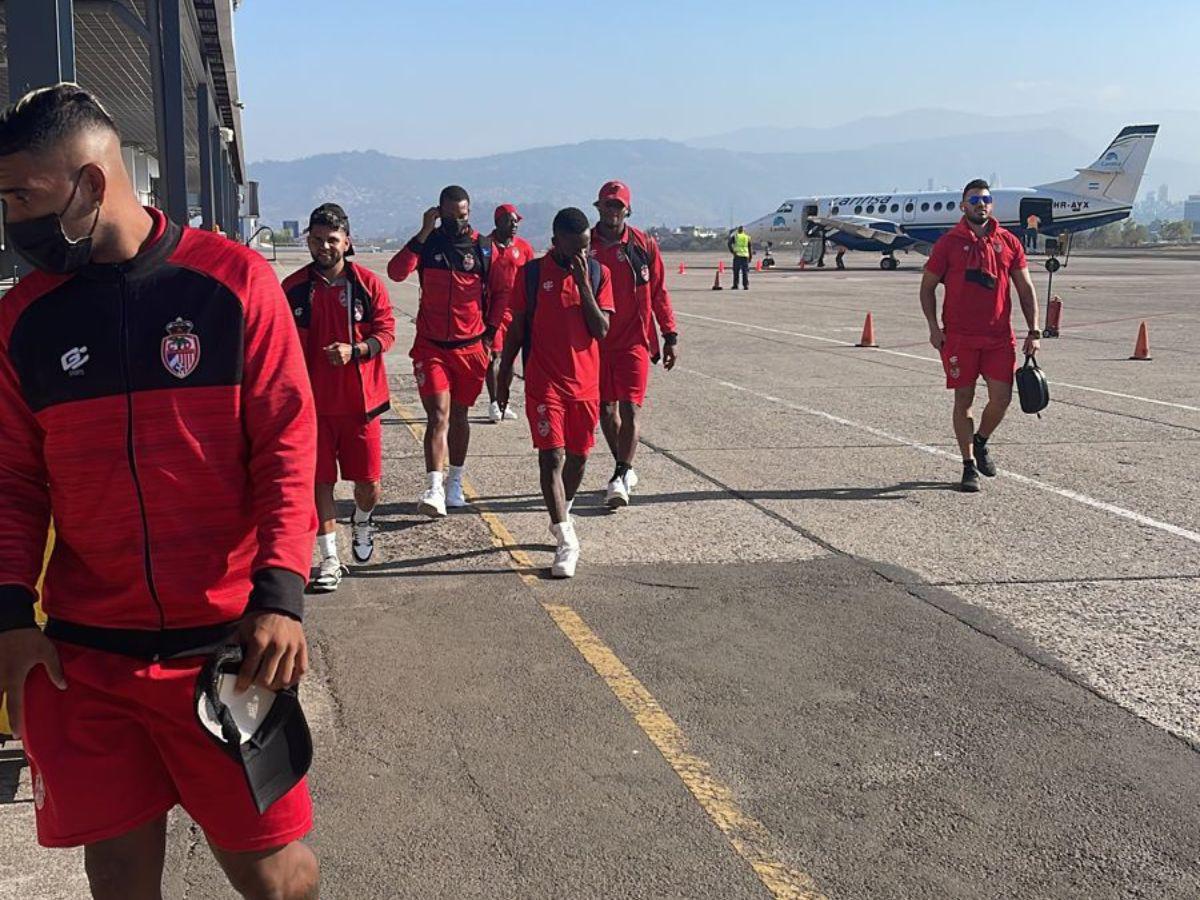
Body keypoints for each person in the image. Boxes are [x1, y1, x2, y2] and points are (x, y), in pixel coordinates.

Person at [0, 85, 319, 899]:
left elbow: (287, 446)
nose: (12, 220)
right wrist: (8, 616)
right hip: (87, 662)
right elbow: (12, 482)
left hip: (224, 654)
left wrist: (280, 592)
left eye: (23, 198)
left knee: (274, 875)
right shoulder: (23, 320)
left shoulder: (233, 283)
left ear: (92, 185)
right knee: (115, 875)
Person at [282, 203, 395, 593]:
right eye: (316, 239)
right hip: (312, 409)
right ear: (308, 241)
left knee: (369, 484)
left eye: (332, 239)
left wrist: (357, 350)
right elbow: (279, 345)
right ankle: (329, 558)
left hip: (362, 406)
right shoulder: (293, 288)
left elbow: (387, 331)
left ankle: (363, 521)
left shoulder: (367, 284)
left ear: (347, 241)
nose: (324, 246)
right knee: (319, 483)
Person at [496, 208, 613, 577]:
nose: (583, 253)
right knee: (552, 458)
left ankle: (563, 510)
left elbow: (602, 329)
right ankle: (565, 538)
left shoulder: (597, 274)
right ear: (556, 238)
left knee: (578, 459)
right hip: (544, 383)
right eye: (576, 246)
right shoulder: (531, 275)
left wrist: (582, 285)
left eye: (587, 246)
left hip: (585, 386)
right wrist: (502, 377)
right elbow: (516, 330)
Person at [920, 179, 1041, 493]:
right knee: (964, 400)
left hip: (999, 337)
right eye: (974, 199)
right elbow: (927, 287)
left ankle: (981, 440)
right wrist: (934, 327)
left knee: (1001, 399)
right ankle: (967, 465)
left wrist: (1034, 329)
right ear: (963, 205)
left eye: (986, 199)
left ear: (992, 204)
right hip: (959, 338)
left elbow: (1025, 289)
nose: (980, 204)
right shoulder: (947, 243)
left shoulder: (1009, 242)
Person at [387, 185, 498, 516]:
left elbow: (500, 295)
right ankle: (433, 487)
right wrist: (423, 231)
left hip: (470, 348)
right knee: (437, 415)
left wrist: (491, 338)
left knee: (460, 415)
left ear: (469, 212)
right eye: (448, 216)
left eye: (461, 216)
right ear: (438, 212)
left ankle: (454, 482)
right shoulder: (428, 244)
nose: (456, 222)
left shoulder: (483, 249)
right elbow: (396, 272)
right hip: (431, 347)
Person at [589, 180, 679, 509]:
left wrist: (669, 335)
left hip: (634, 341)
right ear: (598, 207)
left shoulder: (644, 244)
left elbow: (659, 292)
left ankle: (620, 474)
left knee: (629, 407)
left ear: (628, 210)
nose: (613, 211)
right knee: (606, 410)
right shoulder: (586, 245)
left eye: (618, 206)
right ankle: (623, 467)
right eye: (607, 205)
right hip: (597, 342)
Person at [483, 203, 536, 423]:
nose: (514, 225)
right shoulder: (485, 246)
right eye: (510, 220)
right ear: (498, 222)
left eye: (517, 221)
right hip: (494, 309)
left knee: (509, 358)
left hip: (517, 312)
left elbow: (533, 277)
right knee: (494, 356)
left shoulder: (523, 247)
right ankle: (494, 402)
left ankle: (504, 402)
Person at [727, 224, 752, 289]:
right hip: (745, 256)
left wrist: (732, 252)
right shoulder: (747, 237)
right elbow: (750, 248)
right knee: (745, 272)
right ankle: (745, 286)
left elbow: (729, 244)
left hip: (737, 256)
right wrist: (750, 257)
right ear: (744, 231)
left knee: (736, 271)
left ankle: (736, 285)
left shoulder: (735, 236)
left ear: (738, 230)